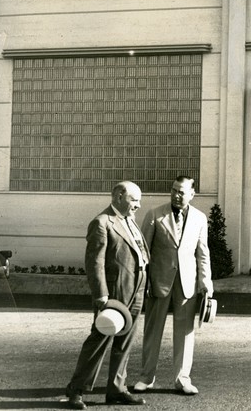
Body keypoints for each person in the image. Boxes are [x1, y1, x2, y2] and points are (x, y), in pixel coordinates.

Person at [64, 181, 148, 410]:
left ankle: (117, 389)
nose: (138, 205)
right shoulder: (101, 222)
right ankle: (76, 389)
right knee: (100, 339)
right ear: (119, 196)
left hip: (136, 289)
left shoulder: (129, 220)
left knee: (125, 341)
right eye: (134, 200)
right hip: (114, 293)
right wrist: (101, 294)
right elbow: (95, 262)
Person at [132, 175, 214, 396]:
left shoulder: (199, 218)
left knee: (185, 332)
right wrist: (144, 282)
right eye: (174, 190)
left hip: (187, 283)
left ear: (192, 194)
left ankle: (182, 379)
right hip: (159, 281)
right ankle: (146, 378)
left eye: (182, 192)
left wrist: (205, 281)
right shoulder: (155, 214)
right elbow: (143, 252)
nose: (177, 195)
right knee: (152, 330)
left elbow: (203, 253)